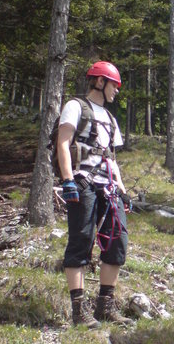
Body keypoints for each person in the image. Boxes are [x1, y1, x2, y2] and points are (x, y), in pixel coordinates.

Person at [57, 61, 133, 328]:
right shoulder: (75, 106)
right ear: (100, 82)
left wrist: (122, 191)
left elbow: (111, 158)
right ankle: (79, 310)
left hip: (109, 187)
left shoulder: (111, 119)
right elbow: (63, 143)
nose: (117, 91)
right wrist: (68, 180)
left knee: (118, 242)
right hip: (83, 181)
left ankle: (105, 306)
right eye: (115, 85)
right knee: (81, 240)